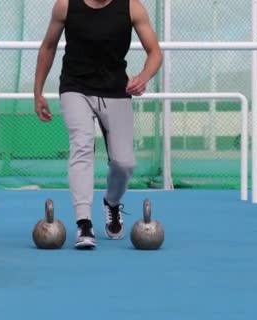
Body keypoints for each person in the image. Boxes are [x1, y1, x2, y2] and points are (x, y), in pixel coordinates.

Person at [33, 0, 163, 249]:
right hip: (75, 87)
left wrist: (144, 77)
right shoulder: (65, 6)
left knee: (124, 163)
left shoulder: (132, 7)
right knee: (81, 144)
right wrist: (37, 92)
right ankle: (84, 223)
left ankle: (111, 202)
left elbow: (155, 52)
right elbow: (48, 47)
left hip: (115, 89)